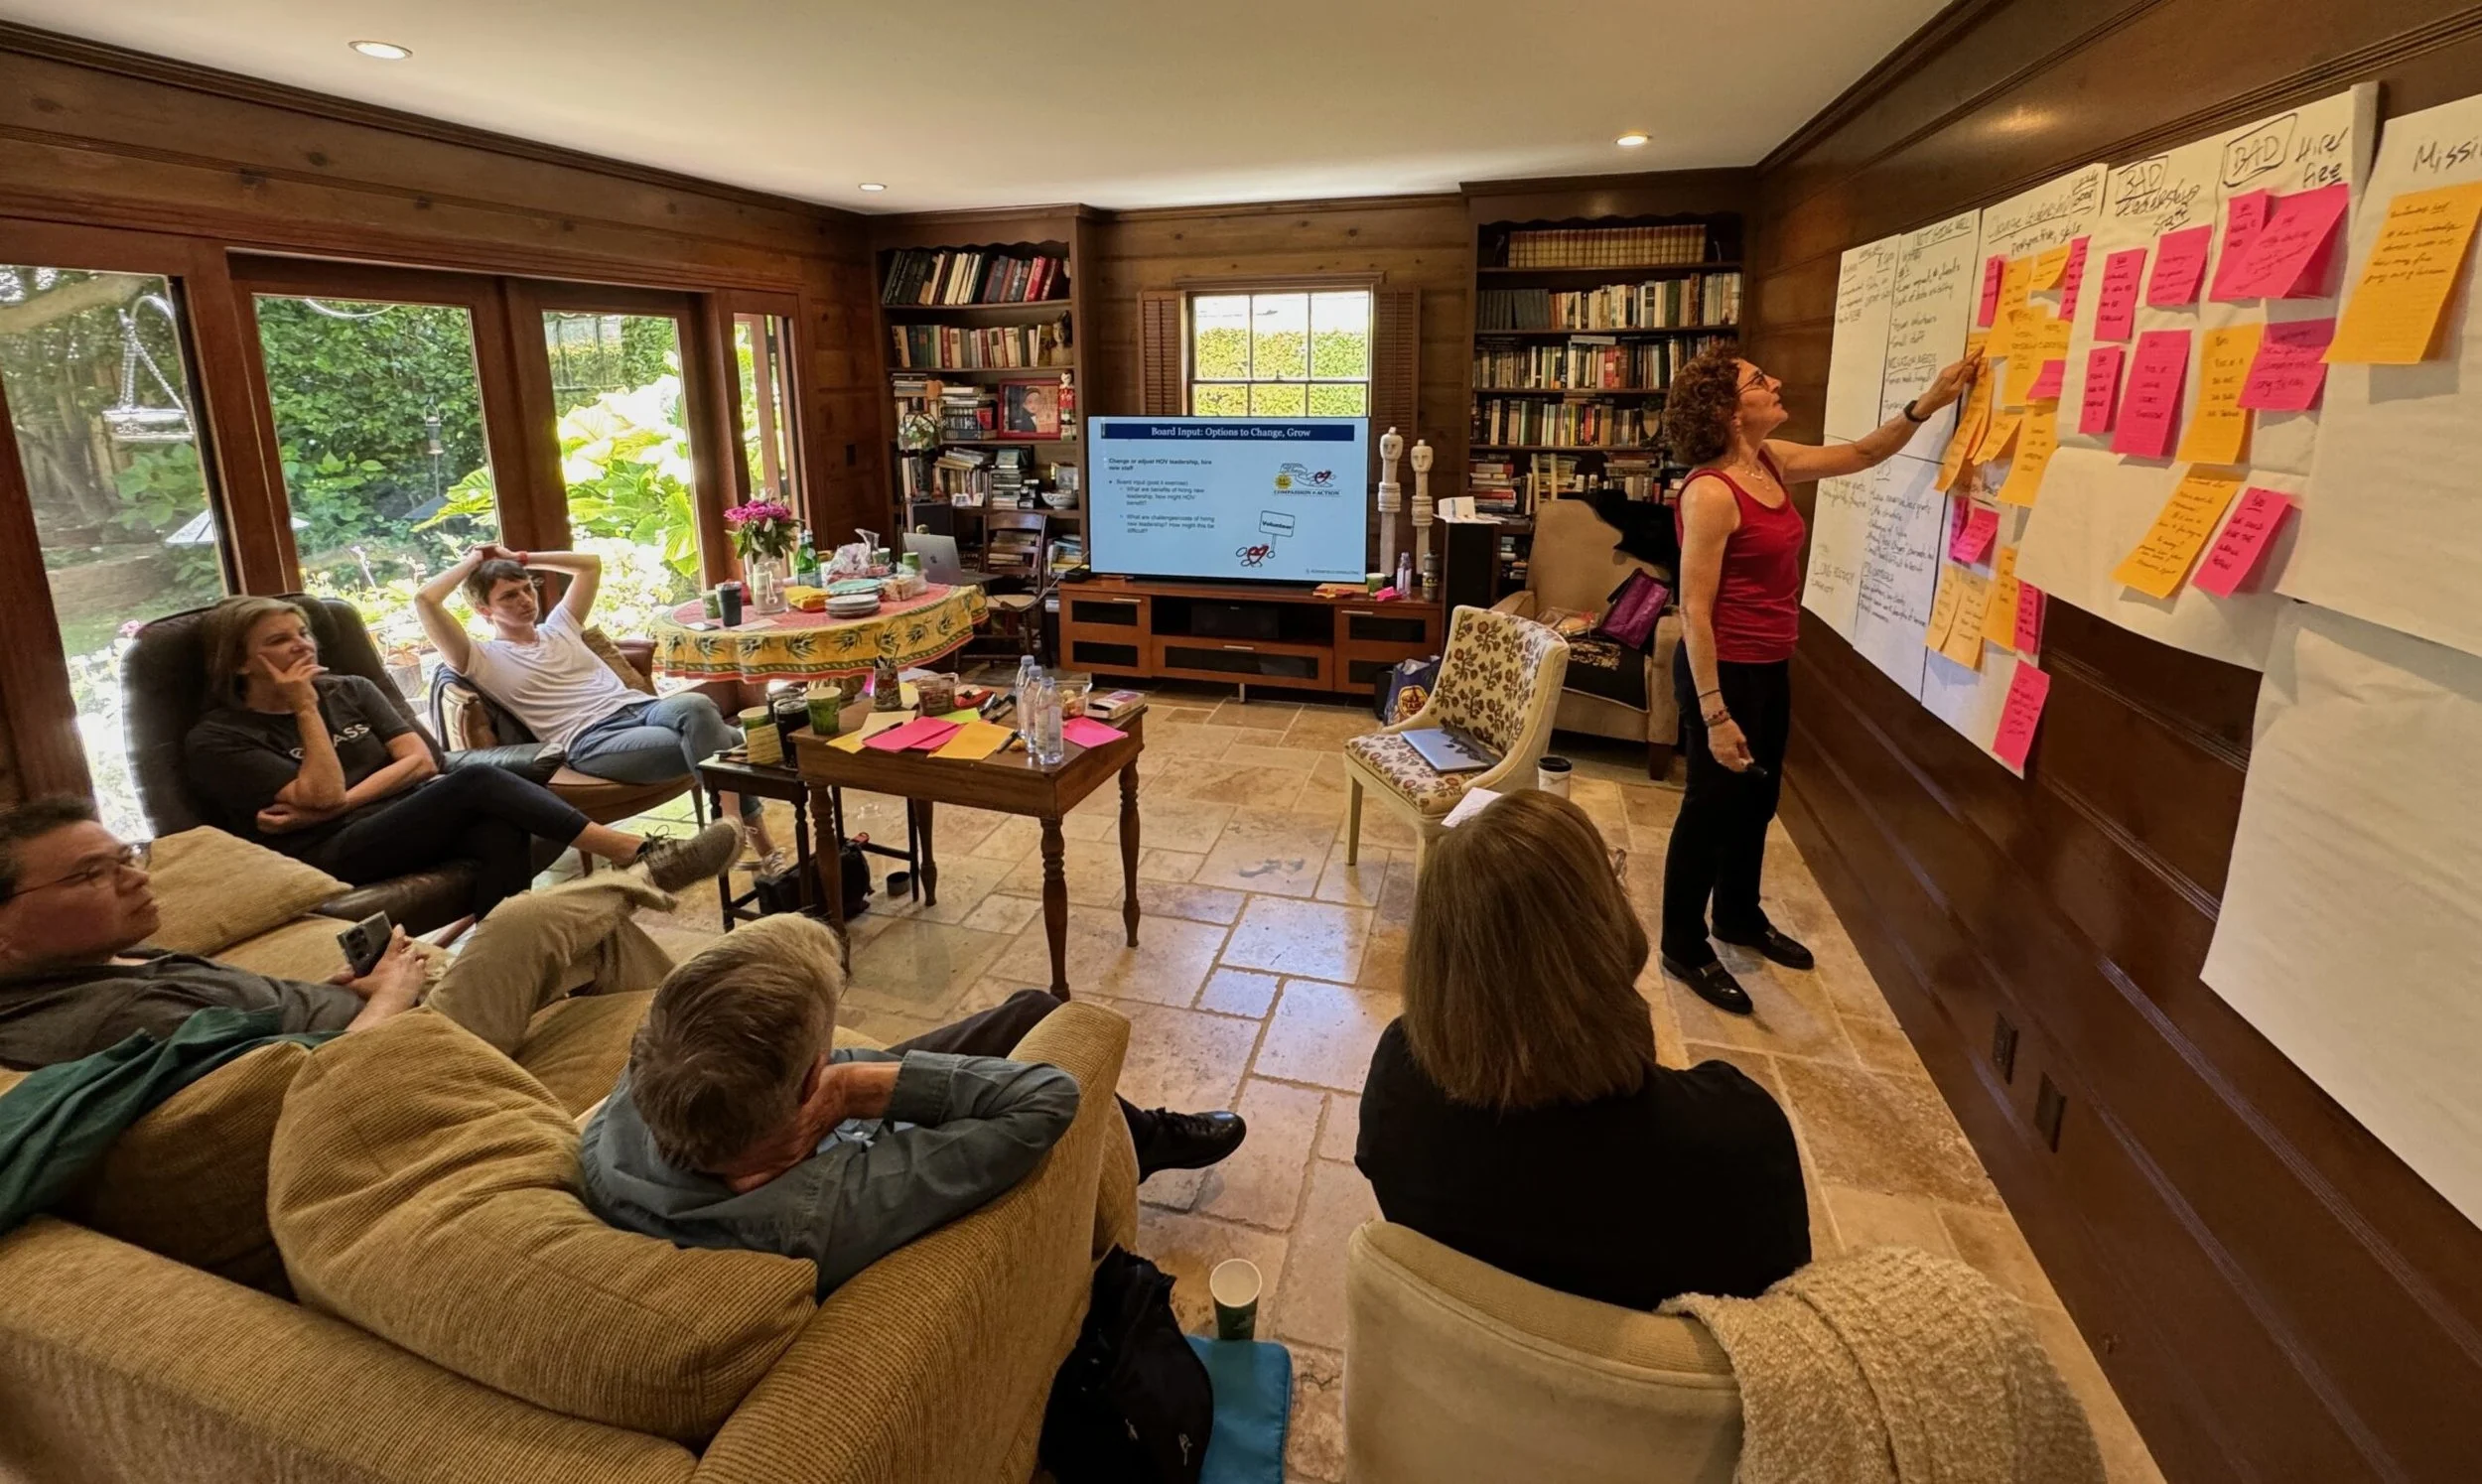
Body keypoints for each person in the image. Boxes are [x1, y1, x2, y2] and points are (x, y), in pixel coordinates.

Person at [582, 916, 1247, 1297]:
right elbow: (1046, 1099)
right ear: (816, 1077)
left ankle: (1145, 1135)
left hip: (769, 1108)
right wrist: (853, 1090)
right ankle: (1147, 1139)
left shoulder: (631, 1113)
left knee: (1030, 1011)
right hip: (849, 1122)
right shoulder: (824, 1213)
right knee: (1048, 1033)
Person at [1356, 789, 1810, 1309]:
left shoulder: (1400, 1082)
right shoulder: (1738, 1141)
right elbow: (1777, 1322)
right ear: (1599, 927)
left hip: (1463, 1382)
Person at [1657, 343, 1981, 1013]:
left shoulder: (1771, 461)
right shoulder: (1712, 493)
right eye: (1756, 380)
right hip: (1724, 674)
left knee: (1758, 798)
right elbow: (1693, 610)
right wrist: (1715, 715)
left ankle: (1737, 915)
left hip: (1771, 663)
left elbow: (1862, 454)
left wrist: (1929, 401)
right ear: (1727, 410)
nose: (1775, 380)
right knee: (1710, 809)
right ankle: (1682, 943)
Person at [0, 795, 736, 1070]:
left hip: (376, 1015)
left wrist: (344, 987)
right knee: (526, 917)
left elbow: (249, 1027)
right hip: (395, 1059)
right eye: (91, 874)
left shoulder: (110, 962)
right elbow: (310, 1083)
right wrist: (393, 993)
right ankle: (644, 876)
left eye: (125, 856)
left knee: (589, 933)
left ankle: (700, 1041)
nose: (134, 876)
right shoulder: (112, 1014)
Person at [181, 597, 735, 922]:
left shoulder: (350, 689)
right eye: (279, 642)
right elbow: (325, 798)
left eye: (303, 633)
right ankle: (639, 854)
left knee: (495, 820)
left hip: (409, 812)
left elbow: (420, 761)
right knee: (475, 784)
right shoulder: (218, 738)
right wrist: (303, 708)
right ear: (239, 663)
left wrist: (337, 800)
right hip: (332, 851)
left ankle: (512, 949)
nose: (303, 646)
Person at [413, 545, 776, 861]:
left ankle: (727, 828)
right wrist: (473, 560)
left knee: (697, 706)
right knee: (727, 742)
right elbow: (425, 600)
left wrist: (521, 557)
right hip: (593, 741)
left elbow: (589, 565)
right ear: (483, 610)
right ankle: (759, 845)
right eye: (509, 596)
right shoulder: (479, 657)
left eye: (527, 589)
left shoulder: (560, 626)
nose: (525, 600)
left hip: (641, 709)